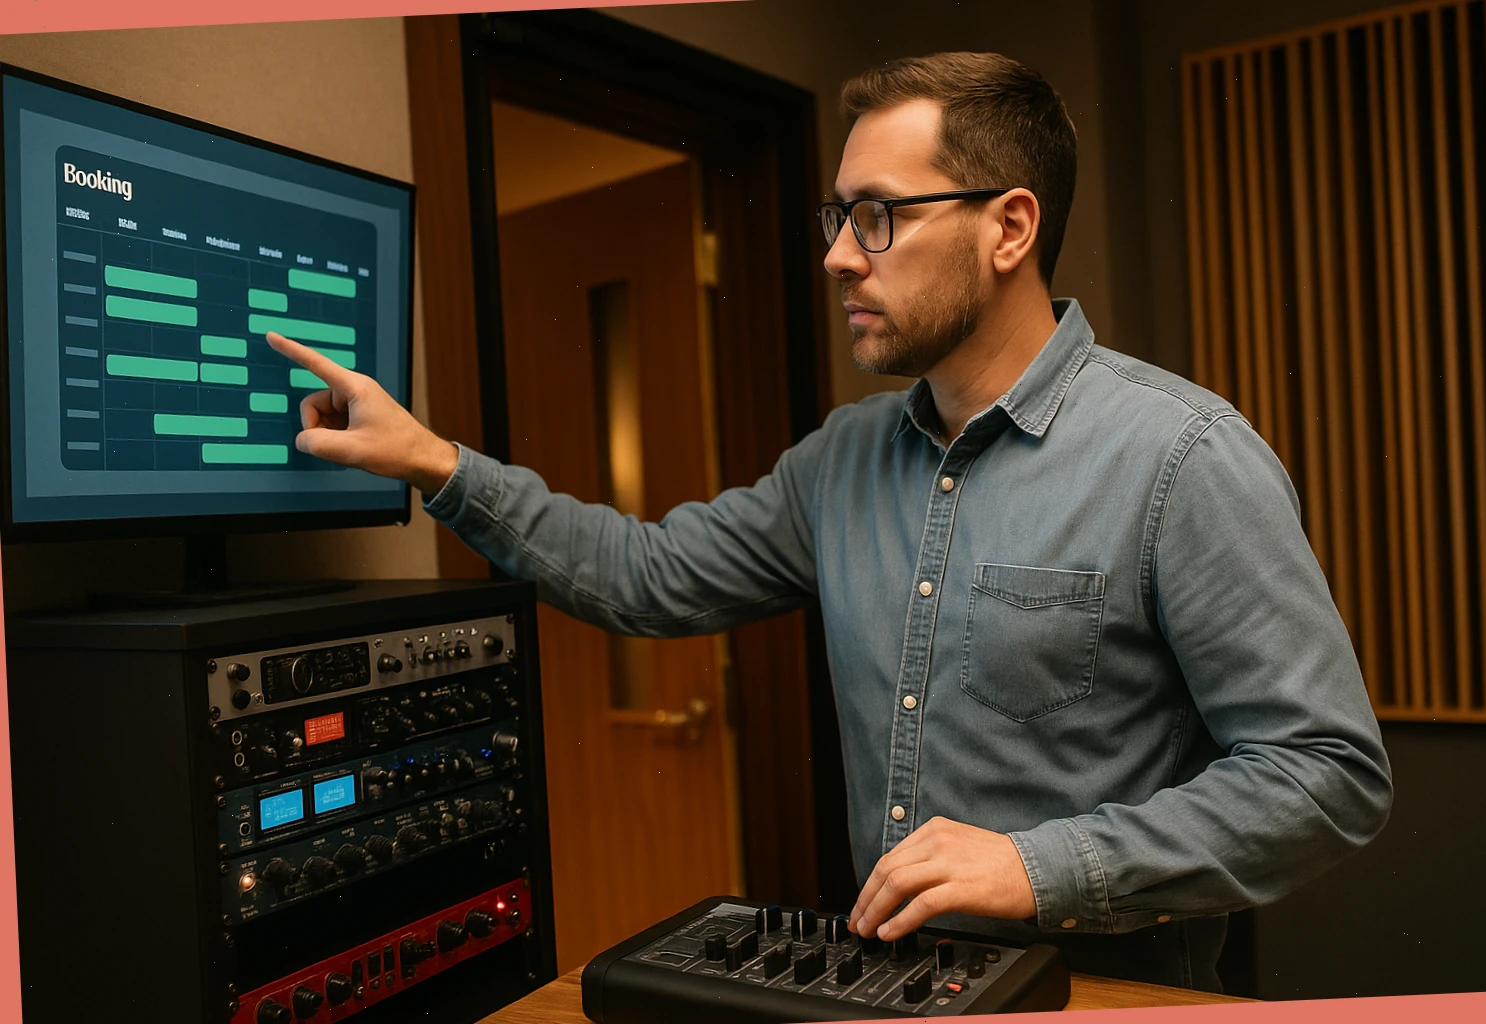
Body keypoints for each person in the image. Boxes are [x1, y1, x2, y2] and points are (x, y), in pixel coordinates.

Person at [265, 51, 1392, 992]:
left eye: (878, 217)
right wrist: (436, 463)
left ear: (1009, 227)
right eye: (838, 215)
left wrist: (1039, 867)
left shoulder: (1182, 457)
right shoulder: (842, 460)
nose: (838, 254)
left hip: (1103, 998)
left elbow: (1326, 774)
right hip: (888, 986)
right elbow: (648, 576)